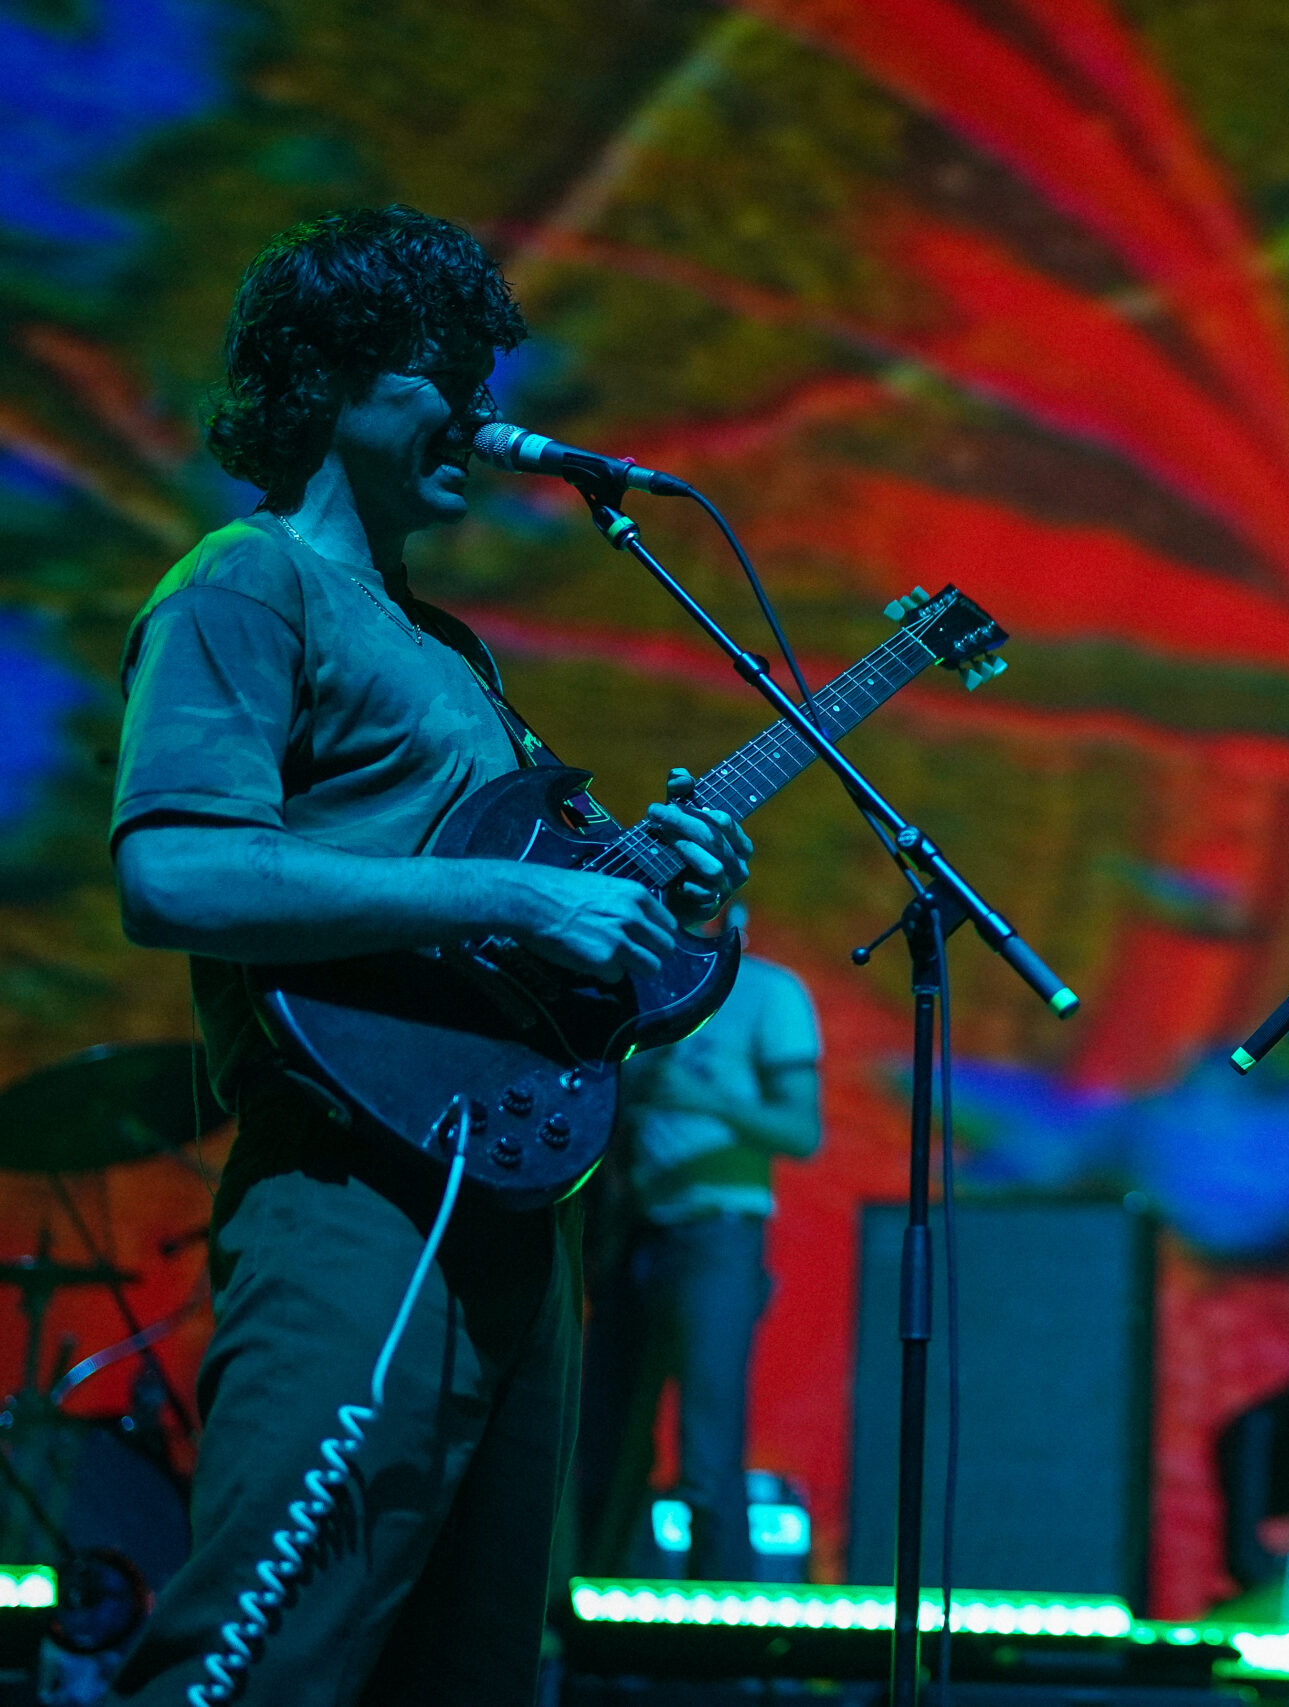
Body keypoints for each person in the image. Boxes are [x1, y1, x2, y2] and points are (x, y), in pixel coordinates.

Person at [108, 206, 753, 1705]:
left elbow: (535, 955)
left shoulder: (453, 650)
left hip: (513, 1203)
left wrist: (674, 909)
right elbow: (174, 866)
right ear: (332, 380)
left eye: (485, 373)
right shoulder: (243, 581)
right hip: (354, 1193)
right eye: (441, 375)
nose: (483, 411)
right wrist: (521, 900)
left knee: (473, 1665)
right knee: (266, 1644)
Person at [578, 907, 821, 1582]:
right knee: (603, 1442)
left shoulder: (769, 993)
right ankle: (578, 1635)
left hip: (718, 1232)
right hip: (635, 1232)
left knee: (709, 1447)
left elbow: (802, 1130)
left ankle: (723, 1647)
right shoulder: (641, 991)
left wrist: (701, 1099)